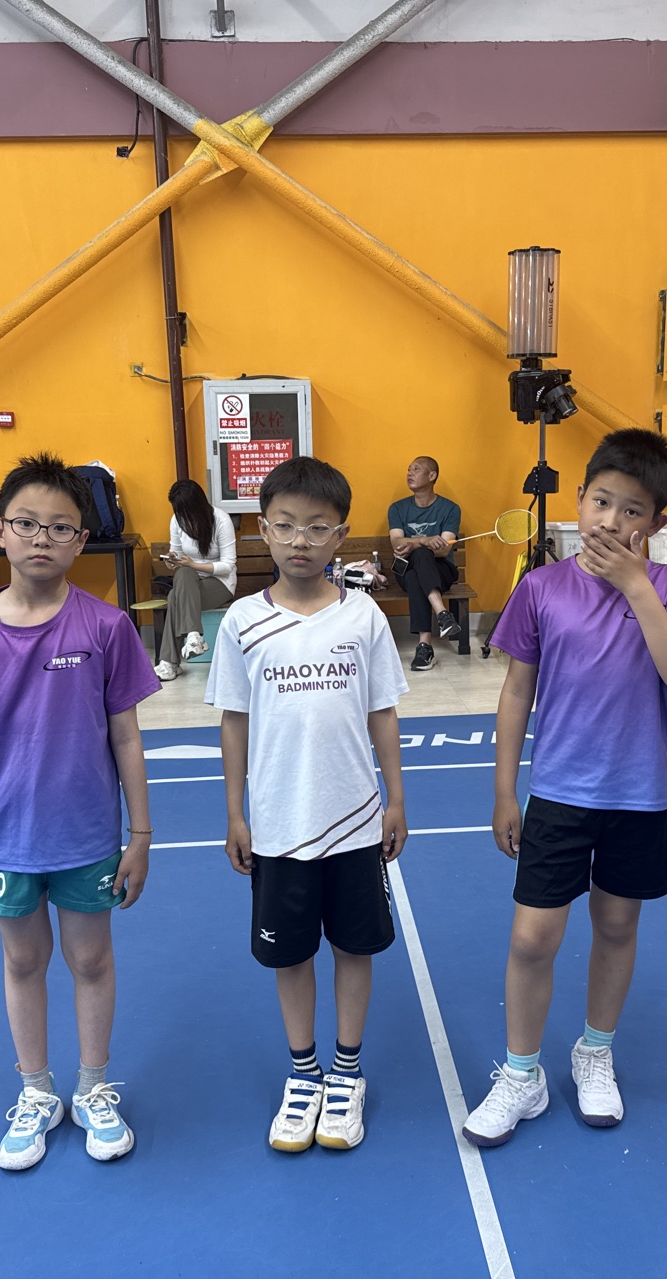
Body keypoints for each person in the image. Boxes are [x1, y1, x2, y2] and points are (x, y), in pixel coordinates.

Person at [462, 429, 667, 1147]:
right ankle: (522, 1073)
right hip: (560, 794)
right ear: (578, 500)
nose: (611, 520)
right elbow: (517, 692)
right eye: (601, 501)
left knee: (617, 925)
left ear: (656, 522)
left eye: (632, 510)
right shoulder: (542, 588)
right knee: (532, 937)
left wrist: (636, 586)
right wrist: (505, 790)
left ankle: (594, 1051)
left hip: (638, 795)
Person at [0, 453, 159, 1171]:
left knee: (91, 959)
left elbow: (126, 736)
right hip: (3, 839)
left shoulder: (107, 627)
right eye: (26, 523)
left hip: (87, 835)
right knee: (23, 961)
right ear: (1, 530)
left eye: (60, 527)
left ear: (82, 540)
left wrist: (141, 834)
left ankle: (92, 1087)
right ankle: (36, 1091)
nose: (41, 538)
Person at [205, 456, 409, 1154]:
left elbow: (382, 712)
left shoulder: (363, 616)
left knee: (354, 946)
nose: (300, 539)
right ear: (262, 530)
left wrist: (396, 797)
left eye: (317, 527)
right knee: (290, 955)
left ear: (340, 536)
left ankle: (346, 1071)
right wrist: (236, 812)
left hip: (354, 819)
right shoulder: (241, 621)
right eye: (286, 525)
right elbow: (234, 721)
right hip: (279, 825)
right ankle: (304, 1072)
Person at [153, 478, 237, 682]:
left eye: (185, 511)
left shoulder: (221, 520)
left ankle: (169, 662)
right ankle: (193, 637)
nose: (182, 517)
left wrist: (193, 564)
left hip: (220, 582)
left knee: (175, 596)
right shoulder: (177, 520)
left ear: (197, 506)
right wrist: (172, 560)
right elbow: (176, 552)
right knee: (181, 578)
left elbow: (228, 565)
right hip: (189, 581)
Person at [387, 455, 462, 672]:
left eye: (416, 469)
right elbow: (396, 543)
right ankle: (442, 614)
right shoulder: (397, 508)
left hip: (441, 570)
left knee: (417, 567)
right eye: (408, 469)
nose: (409, 473)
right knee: (415, 566)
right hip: (405, 568)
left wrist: (415, 545)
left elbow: (444, 550)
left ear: (432, 475)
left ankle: (425, 647)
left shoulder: (450, 509)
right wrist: (423, 540)